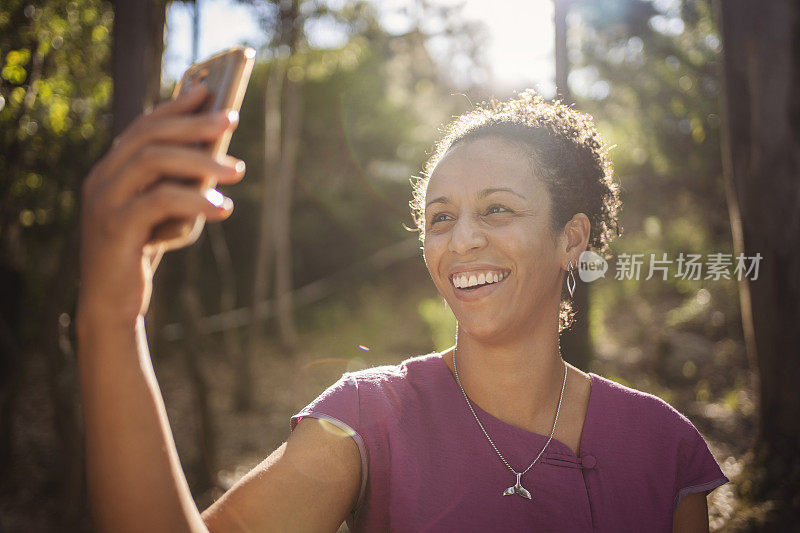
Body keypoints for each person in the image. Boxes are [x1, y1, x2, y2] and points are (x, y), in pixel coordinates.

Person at [76, 85, 728, 532]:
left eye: (497, 208)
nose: (461, 238)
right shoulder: (367, 418)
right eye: (440, 217)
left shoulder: (663, 450)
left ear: (572, 238)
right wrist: (113, 316)